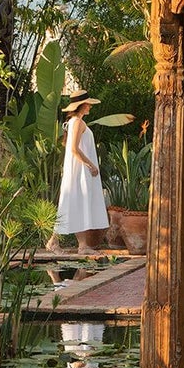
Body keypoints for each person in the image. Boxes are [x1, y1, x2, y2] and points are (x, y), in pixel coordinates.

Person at [46, 89, 110, 254]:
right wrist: (90, 165)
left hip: (78, 169)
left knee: (77, 204)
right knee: (71, 203)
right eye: (87, 103)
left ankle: (82, 246)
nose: (89, 106)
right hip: (79, 170)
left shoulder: (76, 122)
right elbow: (73, 149)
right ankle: (54, 242)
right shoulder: (77, 122)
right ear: (81, 105)